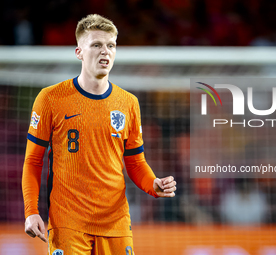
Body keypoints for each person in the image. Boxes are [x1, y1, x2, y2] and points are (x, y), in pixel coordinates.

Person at [22, 14, 176, 255]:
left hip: (116, 223)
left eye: (111, 45)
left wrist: (152, 184)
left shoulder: (129, 103)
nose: (105, 51)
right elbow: (33, 161)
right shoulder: (50, 98)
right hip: (68, 223)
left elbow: (135, 162)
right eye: (96, 45)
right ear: (79, 52)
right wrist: (31, 211)